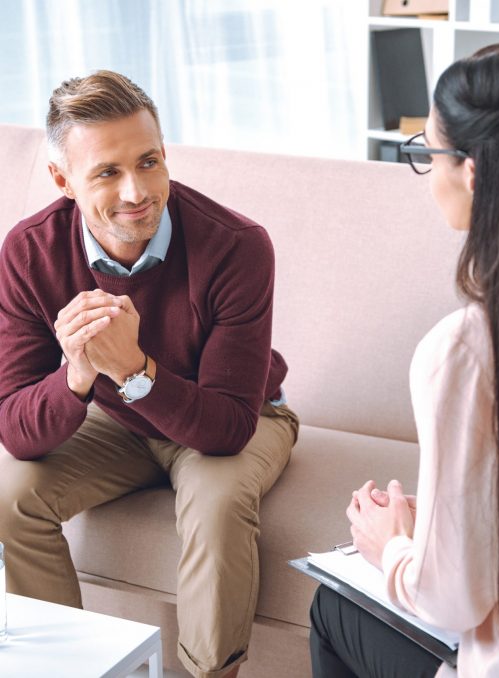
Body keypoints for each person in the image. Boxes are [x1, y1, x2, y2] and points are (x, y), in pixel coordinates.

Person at [309, 42, 499, 677]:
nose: (429, 173)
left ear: (473, 172)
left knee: (331, 607)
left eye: (429, 154)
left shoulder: (467, 352)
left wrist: (395, 547)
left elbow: (452, 599)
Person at [0, 70, 299, 678]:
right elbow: (15, 429)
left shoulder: (238, 245)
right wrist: (78, 376)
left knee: (216, 510)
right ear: (62, 180)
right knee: (10, 497)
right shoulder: (29, 252)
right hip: (119, 418)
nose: (137, 191)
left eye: (150, 161)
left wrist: (133, 369)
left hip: (238, 414)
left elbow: (225, 429)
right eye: (107, 172)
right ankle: (69, 667)